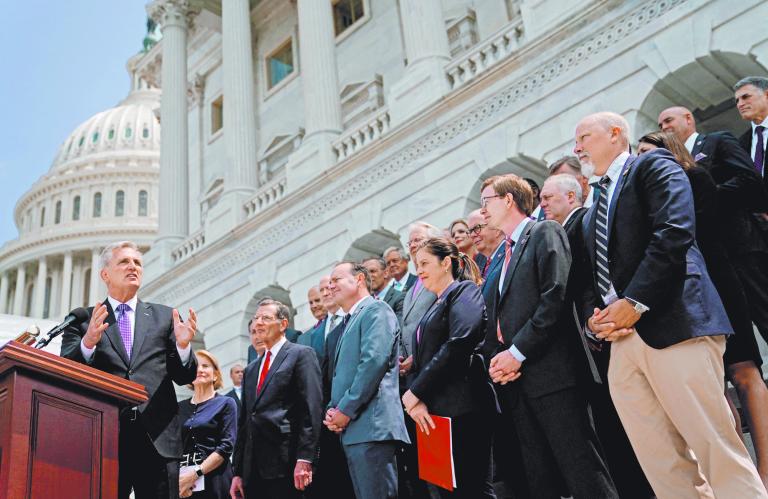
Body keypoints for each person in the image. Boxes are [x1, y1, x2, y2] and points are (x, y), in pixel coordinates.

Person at [574, 111, 766, 497]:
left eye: (584, 137)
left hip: (673, 323)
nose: (576, 147)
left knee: (715, 448)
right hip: (622, 344)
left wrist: (636, 301)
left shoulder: (652, 165)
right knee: (661, 463)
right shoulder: (593, 205)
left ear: (615, 134)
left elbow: (675, 231)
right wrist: (597, 320)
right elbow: (594, 275)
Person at [640, 128, 768, 486]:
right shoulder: (647, 196)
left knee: (744, 371)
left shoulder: (696, 177)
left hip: (719, 282)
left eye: (648, 152)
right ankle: (736, 470)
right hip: (686, 295)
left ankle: (765, 470)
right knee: (714, 383)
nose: (642, 160)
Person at [479, 174, 618, 499]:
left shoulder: (544, 232)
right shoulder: (502, 256)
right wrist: (499, 359)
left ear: (508, 200)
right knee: (541, 478)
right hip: (518, 386)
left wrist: (517, 352)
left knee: (582, 470)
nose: (482, 211)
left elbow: (554, 296)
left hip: (553, 378)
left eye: (487, 202)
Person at [541, 174, 653, 498]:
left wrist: (594, 327)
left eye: (550, 197)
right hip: (589, 343)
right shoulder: (565, 230)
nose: (543, 203)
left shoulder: (580, 226)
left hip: (598, 342)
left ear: (573, 197)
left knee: (618, 433)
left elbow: (587, 283)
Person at [60, 241, 198, 499]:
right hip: (105, 437)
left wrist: (182, 346)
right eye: (124, 262)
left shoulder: (164, 317)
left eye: (137, 263)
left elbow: (185, 376)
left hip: (158, 440)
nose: (133, 267)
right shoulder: (83, 319)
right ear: (105, 274)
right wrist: (88, 342)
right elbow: (67, 371)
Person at [402, 237, 494, 498]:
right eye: (416, 264)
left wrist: (415, 392)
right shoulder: (433, 305)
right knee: (449, 492)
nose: (418, 270)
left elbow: (460, 342)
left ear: (445, 263)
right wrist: (417, 400)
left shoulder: (464, 291)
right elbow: (425, 358)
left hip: (464, 406)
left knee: (473, 488)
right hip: (435, 415)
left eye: (424, 263)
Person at [325, 262, 410, 499]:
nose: (330, 287)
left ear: (360, 279)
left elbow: (373, 363)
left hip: (373, 427)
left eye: (336, 280)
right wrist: (333, 410)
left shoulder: (376, 310)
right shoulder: (350, 321)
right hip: (355, 430)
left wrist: (345, 409)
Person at [230, 298, 322, 499]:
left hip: (286, 464)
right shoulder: (251, 369)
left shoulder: (301, 354)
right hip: (252, 470)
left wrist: (305, 458)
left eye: (266, 318)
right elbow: (245, 421)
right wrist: (237, 472)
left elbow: (311, 409)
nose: (258, 323)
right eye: (256, 318)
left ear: (283, 324)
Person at [399, 222, 443, 499]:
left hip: (435, 377)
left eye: (418, 240)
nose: (413, 245)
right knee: (427, 467)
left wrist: (419, 354)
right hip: (413, 380)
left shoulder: (439, 278)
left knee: (442, 462)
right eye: (410, 242)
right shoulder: (413, 286)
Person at [309, 275, 356, 499]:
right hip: (324, 422)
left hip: (353, 414)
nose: (326, 292)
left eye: (330, 287)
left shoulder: (354, 319)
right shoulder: (311, 335)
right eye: (322, 289)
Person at [178, 350, 237, 498]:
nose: (200, 370)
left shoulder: (226, 403)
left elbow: (226, 446)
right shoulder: (178, 408)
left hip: (216, 480)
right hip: (186, 484)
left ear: (215, 375)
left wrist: (197, 472)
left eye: (205, 366)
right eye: (196, 366)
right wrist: (181, 480)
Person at [362, 256, 405, 323]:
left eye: (372, 271)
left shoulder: (400, 298)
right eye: (365, 274)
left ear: (385, 273)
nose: (369, 276)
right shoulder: (365, 302)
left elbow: (398, 329)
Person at [466, 209, 505, 282]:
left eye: (477, 228)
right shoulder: (478, 260)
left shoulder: (510, 253)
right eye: (470, 231)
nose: (472, 235)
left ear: (497, 228)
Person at [298, 285, 328, 351]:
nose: (313, 306)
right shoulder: (302, 339)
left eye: (317, 300)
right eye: (311, 303)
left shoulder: (341, 322)